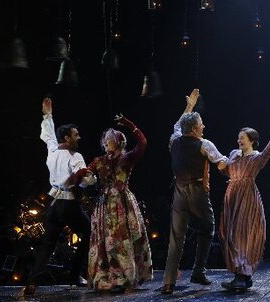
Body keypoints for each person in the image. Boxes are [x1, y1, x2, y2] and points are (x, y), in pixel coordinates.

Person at [24, 97, 96, 297]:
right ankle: (74, 275)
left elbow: (48, 135)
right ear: (67, 138)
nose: (79, 138)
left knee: (47, 244)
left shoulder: (54, 149)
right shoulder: (75, 157)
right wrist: (91, 178)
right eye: (76, 135)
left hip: (53, 205)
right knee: (89, 233)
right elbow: (84, 180)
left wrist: (48, 115)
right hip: (68, 204)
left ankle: (32, 281)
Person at [161, 89, 229, 295]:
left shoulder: (174, 140)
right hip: (197, 191)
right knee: (208, 227)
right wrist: (235, 160)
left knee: (176, 237)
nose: (204, 127)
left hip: (179, 192)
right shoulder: (204, 144)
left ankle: (168, 283)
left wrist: (190, 106)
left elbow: (176, 125)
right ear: (194, 128)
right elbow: (221, 160)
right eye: (201, 125)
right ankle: (198, 270)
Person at [86, 114, 153, 293]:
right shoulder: (99, 161)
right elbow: (85, 173)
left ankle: (127, 279)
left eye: (111, 139)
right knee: (105, 241)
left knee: (123, 240)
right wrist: (82, 176)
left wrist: (128, 123)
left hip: (123, 203)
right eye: (105, 139)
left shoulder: (127, 158)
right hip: (104, 205)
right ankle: (105, 278)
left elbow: (143, 142)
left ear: (118, 142)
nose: (107, 141)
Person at [219, 110, 270, 292]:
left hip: (247, 198)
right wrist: (222, 167)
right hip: (231, 196)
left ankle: (241, 276)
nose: (239, 141)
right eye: (238, 138)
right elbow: (227, 171)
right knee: (228, 233)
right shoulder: (233, 154)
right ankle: (243, 276)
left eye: (243, 138)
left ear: (251, 140)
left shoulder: (257, 158)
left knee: (243, 235)